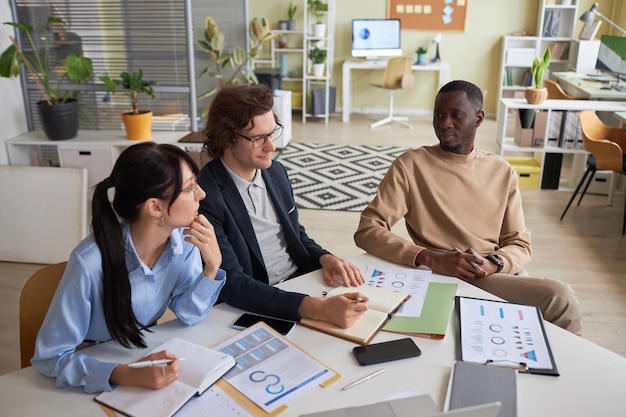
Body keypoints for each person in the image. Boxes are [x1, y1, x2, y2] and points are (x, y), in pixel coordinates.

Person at [354, 80, 583, 335]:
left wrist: (494, 263)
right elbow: (367, 229)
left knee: (555, 305)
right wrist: (427, 257)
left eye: (456, 115)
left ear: (479, 118)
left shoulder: (501, 171)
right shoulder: (410, 165)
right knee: (561, 298)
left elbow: (519, 243)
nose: (444, 123)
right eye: (439, 115)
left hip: (491, 271)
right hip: (443, 274)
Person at [32, 142, 226, 393]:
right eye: (189, 188)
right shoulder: (90, 263)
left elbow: (189, 314)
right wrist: (124, 374)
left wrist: (212, 266)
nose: (202, 194)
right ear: (155, 207)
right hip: (92, 370)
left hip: (145, 354)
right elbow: (49, 358)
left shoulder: (184, 242)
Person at [197, 84, 368, 329]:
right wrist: (315, 308)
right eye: (258, 138)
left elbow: (295, 234)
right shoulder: (205, 193)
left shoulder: (275, 172)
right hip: (259, 302)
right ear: (227, 137)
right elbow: (231, 281)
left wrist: (325, 258)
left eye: (272, 133)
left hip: (301, 283)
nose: (271, 147)